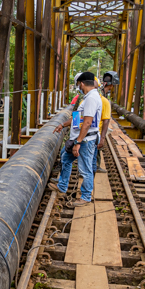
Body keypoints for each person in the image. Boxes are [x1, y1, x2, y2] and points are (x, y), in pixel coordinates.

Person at [52, 72, 100, 206]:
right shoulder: (88, 97)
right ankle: (62, 187)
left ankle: (85, 197)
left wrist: (78, 142)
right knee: (65, 158)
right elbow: (78, 119)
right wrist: (63, 124)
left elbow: (88, 122)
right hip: (79, 138)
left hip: (85, 140)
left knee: (85, 169)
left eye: (79, 84)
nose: (79, 86)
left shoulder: (91, 99)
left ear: (82, 83)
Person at [93, 73, 118, 174]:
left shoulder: (100, 93)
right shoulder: (101, 97)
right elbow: (106, 119)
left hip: (93, 127)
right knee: (94, 149)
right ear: (111, 85)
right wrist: (103, 137)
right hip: (95, 128)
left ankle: (95, 167)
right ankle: (93, 169)